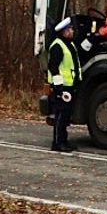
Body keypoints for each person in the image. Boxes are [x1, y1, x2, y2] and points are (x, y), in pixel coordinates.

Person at [47, 16, 82, 152]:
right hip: (62, 87)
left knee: (66, 115)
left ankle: (64, 140)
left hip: (70, 86)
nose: (72, 31)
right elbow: (53, 67)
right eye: (70, 29)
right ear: (64, 32)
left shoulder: (70, 44)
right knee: (61, 115)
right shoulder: (57, 46)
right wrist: (58, 87)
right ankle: (57, 143)